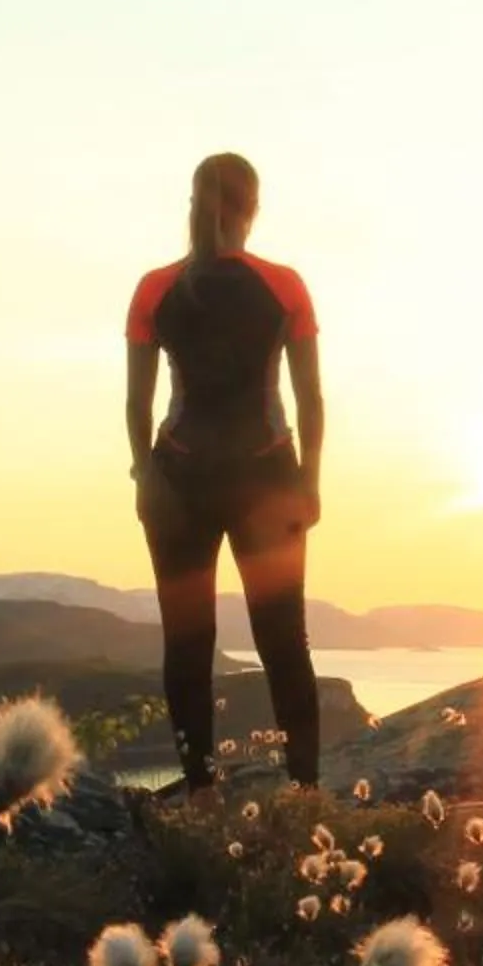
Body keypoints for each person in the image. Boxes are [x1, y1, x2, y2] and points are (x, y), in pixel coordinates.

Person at [125, 151, 325, 792]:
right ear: (254, 208)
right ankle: (305, 795)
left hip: (178, 481)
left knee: (188, 645)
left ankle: (201, 794)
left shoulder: (158, 288)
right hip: (268, 482)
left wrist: (147, 479)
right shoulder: (284, 285)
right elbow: (310, 399)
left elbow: (137, 404)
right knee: (283, 644)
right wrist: (310, 482)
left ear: (193, 203)